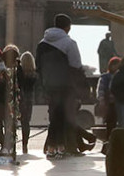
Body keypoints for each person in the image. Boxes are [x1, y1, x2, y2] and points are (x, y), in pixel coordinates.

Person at [37, 14, 93, 159]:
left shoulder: (42, 43)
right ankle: (64, 147)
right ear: (68, 27)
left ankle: (52, 148)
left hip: (49, 85)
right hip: (66, 86)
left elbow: (38, 66)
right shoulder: (69, 43)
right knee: (65, 117)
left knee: (54, 117)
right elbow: (76, 65)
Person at [16, 49, 36, 155]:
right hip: (29, 99)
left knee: (14, 122)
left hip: (20, 98)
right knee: (26, 123)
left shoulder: (19, 71)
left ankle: (12, 144)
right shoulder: (33, 74)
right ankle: (25, 145)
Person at [98, 56, 120, 136]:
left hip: (119, 102)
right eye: (114, 65)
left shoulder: (121, 76)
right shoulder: (105, 77)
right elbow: (101, 90)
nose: (116, 67)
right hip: (109, 103)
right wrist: (102, 100)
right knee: (110, 123)